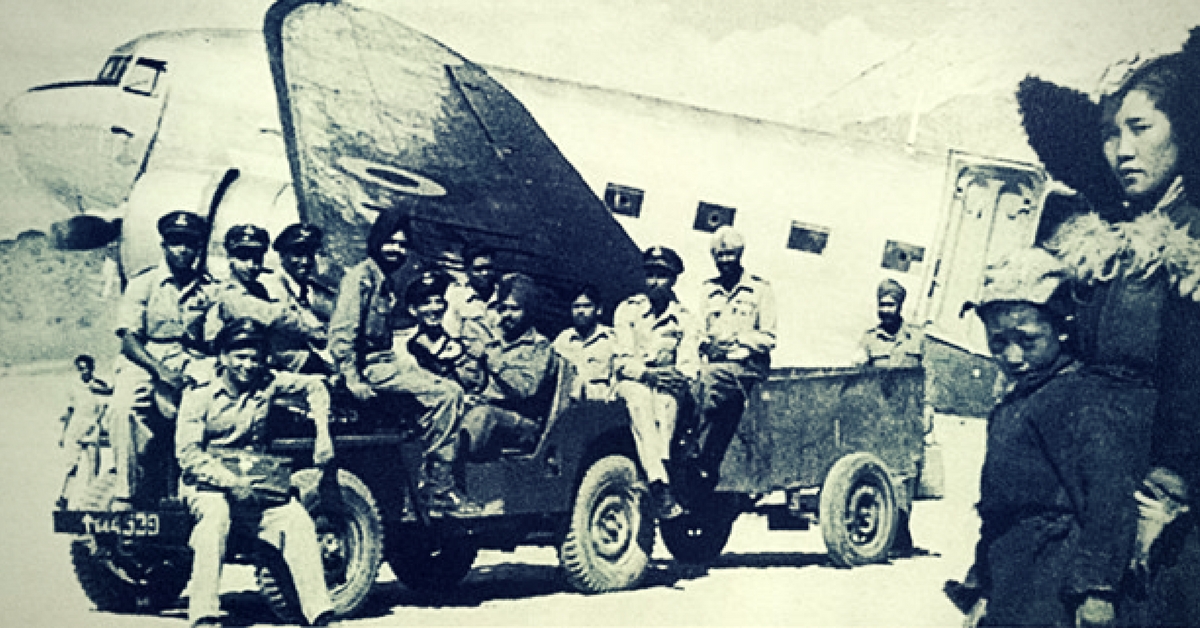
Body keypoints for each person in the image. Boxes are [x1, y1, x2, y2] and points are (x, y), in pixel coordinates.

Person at [1017, 31, 1200, 626]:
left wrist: (1169, 488)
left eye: (1140, 128)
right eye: (1110, 134)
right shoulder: (1105, 244)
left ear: (1186, 128)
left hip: (1161, 517)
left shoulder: (1192, 245)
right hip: (1084, 492)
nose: (1121, 149)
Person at [960, 248, 1150, 628]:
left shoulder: (1080, 395)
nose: (1012, 356)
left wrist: (1096, 590)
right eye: (998, 342)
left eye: (1027, 340)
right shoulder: (1016, 398)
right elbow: (996, 506)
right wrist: (983, 586)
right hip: (1011, 567)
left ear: (1060, 328)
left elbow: (1107, 494)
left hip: (1055, 573)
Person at [175, 318, 336, 628]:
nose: (248, 365)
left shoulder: (268, 382)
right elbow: (188, 455)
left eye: (255, 357)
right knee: (215, 519)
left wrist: (323, 433)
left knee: (296, 519)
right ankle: (204, 614)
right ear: (222, 357)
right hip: (207, 483)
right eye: (240, 356)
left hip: (255, 480)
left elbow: (316, 386)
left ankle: (319, 613)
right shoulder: (200, 394)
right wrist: (230, 483)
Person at [328, 212, 478, 517]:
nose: (396, 250)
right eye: (390, 243)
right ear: (376, 243)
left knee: (448, 389)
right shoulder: (361, 277)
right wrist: (353, 379)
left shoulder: (384, 280)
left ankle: (423, 475)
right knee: (446, 394)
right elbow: (342, 334)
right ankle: (439, 488)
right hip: (370, 367)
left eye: (402, 245)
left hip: (386, 362)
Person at [107, 210, 217, 510]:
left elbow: (214, 338)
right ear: (164, 245)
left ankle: (197, 482)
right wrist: (160, 371)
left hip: (192, 358)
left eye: (189, 243)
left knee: (214, 402)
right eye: (175, 242)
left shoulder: (208, 287)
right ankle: (125, 491)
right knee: (123, 408)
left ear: (198, 247)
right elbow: (128, 339)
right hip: (146, 356)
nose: (182, 250)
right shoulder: (144, 282)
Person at [612, 246, 701, 520]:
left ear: (673, 279)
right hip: (632, 382)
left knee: (666, 401)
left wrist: (674, 376)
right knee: (639, 398)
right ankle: (660, 482)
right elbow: (622, 360)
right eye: (650, 275)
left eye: (662, 276)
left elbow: (689, 366)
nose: (654, 282)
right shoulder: (628, 311)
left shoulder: (685, 319)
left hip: (666, 386)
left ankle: (658, 469)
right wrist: (648, 374)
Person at [691, 226, 776, 488]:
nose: (725, 261)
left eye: (730, 255)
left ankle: (694, 448)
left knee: (705, 380)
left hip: (747, 368)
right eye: (720, 255)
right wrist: (705, 345)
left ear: (740, 254)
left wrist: (736, 344)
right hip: (717, 367)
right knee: (692, 378)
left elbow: (769, 337)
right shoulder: (708, 290)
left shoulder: (759, 290)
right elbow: (700, 332)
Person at [205, 225, 326, 373]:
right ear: (230, 258)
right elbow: (272, 316)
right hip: (232, 367)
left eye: (257, 259)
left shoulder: (258, 289)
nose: (251, 266)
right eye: (243, 257)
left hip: (259, 365)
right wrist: (309, 331)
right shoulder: (229, 293)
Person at [460, 273, 555, 460]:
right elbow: (476, 382)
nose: (506, 315)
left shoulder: (540, 346)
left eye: (514, 309)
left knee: (483, 416)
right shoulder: (493, 340)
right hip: (484, 409)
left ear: (529, 310)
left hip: (522, 420)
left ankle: (447, 472)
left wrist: (488, 358)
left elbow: (525, 389)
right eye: (502, 309)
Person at [404, 270, 486, 394]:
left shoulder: (457, 341)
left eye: (439, 301)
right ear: (413, 310)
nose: (435, 308)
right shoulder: (406, 348)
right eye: (426, 303)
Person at [273, 223, 337, 373]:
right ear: (282, 256)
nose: (306, 262)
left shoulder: (315, 290)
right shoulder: (271, 289)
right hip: (287, 366)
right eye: (298, 254)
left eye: (310, 255)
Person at [57, 354, 112, 508]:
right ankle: (64, 496)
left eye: (85, 368)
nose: (83, 372)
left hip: (92, 430)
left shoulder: (99, 386)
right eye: (80, 369)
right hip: (75, 429)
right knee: (71, 465)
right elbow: (69, 410)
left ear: (91, 369)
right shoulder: (74, 386)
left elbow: (109, 395)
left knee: (93, 467)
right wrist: (63, 434)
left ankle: (88, 502)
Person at [552, 284, 616, 401]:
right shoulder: (563, 340)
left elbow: (617, 380)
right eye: (576, 307)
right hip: (568, 407)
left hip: (599, 407)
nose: (581, 311)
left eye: (587, 306)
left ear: (599, 310)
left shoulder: (611, 339)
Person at [444, 243, 502, 355]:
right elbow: (451, 334)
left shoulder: (504, 294)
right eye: (478, 269)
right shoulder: (456, 295)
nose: (485, 273)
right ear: (467, 270)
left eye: (488, 268)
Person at [854, 278, 924, 368]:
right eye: (882, 305)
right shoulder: (869, 339)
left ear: (900, 306)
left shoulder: (917, 337)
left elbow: (929, 375)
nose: (885, 310)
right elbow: (857, 374)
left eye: (890, 305)